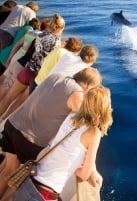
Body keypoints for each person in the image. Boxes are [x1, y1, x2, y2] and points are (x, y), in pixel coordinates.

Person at [0, 67, 102, 198]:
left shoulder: (58, 75)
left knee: (6, 168)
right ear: (88, 86)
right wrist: (92, 168)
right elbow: (86, 123)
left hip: (13, 124)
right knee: (18, 179)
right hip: (28, 139)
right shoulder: (78, 95)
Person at [0, 13, 65, 119]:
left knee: (8, 97)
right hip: (37, 75)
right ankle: (4, 121)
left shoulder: (40, 35)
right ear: (60, 28)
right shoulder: (57, 42)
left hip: (27, 69)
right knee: (20, 103)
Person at [30, 44, 98, 93]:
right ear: (93, 60)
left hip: (39, 88)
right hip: (49, 96)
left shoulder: (68, 55)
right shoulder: (84, 71)